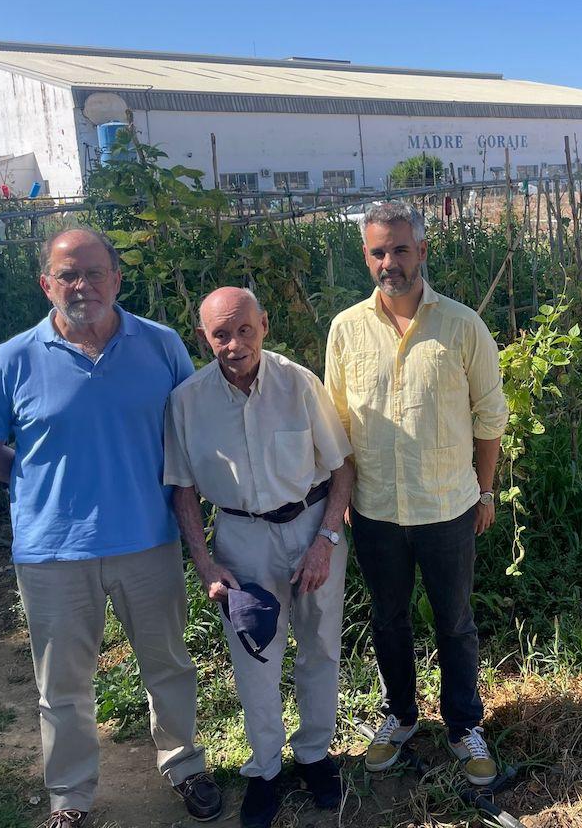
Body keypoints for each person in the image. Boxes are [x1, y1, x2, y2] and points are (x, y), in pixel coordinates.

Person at [0, 227, 222, 828]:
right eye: (68, 275)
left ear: (117, 279)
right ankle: (70, 799)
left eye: (94, 272)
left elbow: (192, 432)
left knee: (170, 665)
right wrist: (35, 486)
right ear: (46, 284)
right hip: (52, 553)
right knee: (63, 685)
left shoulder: (160, 346)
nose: (82, 286)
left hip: (148, 541)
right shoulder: (14, 358)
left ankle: (185, 765)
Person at [325, 201, 509, 787]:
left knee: (454, 622)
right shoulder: (346, 329)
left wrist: (484, 493)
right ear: (366, 256)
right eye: (379, 251)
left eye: (401, 249)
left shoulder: (460, 325)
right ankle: (400, 717)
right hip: (375, 510)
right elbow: (337, 425)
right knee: (388, 619)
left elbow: (489, 418)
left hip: (447, 506)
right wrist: (345, 499)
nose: (390, 262)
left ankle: (463, 726)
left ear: (422, 251)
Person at [164, 287, 353, 827]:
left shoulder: (298, 383)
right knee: (255, 657)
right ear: (203, 339)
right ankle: (266, 769)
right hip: (241, 541)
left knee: (320, 645)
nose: (234, 343)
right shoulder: (187, 401)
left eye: (244, 329)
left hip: (313, 526)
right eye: (220, 334)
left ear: (264, 326)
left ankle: (315, 755)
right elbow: (182, 492)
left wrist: (326, 541)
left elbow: (341, 467)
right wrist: (205, 566)